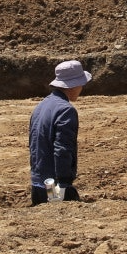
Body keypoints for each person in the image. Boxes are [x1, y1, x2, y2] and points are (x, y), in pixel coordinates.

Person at [28, 59, 92, 206]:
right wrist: (64, 183)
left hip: (38, 183)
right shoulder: (66, 110)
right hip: (53, 186)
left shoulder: (41, 105)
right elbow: (62, 148)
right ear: (73, 85)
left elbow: (33, 145)